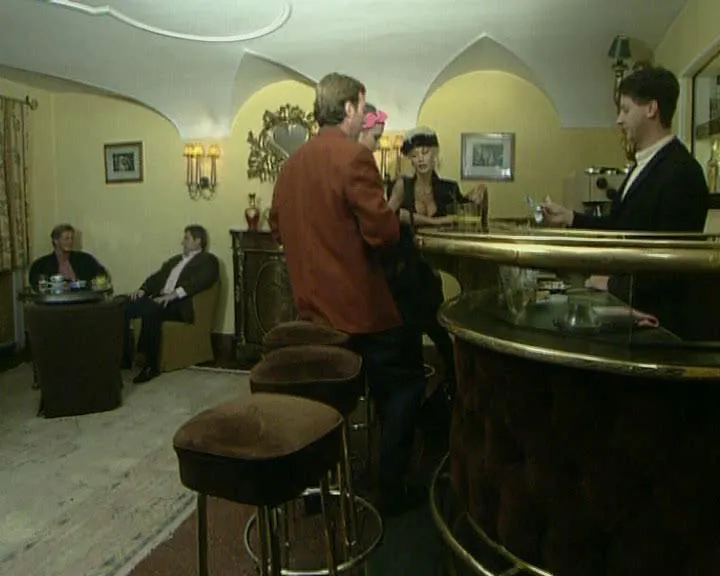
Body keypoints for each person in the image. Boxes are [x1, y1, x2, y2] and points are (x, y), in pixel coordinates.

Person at [269, 73, 426, 515]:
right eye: (363, 107)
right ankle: (391, 488)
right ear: (351, 108)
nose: (365, 117)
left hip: (311, 317)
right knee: (407, 385)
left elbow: (278, 229)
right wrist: (393, 204)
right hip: (359, 316)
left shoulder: (291, 165)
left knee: (327, 400)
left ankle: (317, 489)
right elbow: (383, 235)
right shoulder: (354, 156)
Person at [540, 65, 709, 336]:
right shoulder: (643, 164)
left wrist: (611, 284)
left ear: (651, 109)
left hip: (658, 325)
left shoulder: (682, 172)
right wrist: (569, 217)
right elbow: (619, 226)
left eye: (626, 110)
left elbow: (671, 265)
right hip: (632, 311)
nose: (619, 120)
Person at [386, 126, 488, 388]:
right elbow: (394, 215)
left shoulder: (448, 188)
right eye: (414, 155)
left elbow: (467, 216)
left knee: (438, 329)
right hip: (403, 269)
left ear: (435, 154)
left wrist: (482, 192)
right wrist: (439, 221)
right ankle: (416, 384)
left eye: (425, 152)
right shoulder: (402, 185)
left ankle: (454, 383)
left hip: (430, 271)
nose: (420, 159)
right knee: (411, 333)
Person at [124, 225, 219, 384]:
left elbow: (200, 281)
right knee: (121, 304)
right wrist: (142, 290)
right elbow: (156, 278)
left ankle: (150, 366)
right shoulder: (175, 260)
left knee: (151, 309)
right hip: (159, 299)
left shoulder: (208, 260)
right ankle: (123, 357)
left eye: (186, 238)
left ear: (198, 241)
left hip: (178, 304)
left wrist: (173, 295)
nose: (182, 242)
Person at [28, 223, 109, 287]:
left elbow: (101, 274)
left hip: (82, 299)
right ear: (56, 240)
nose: (70, 242)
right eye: (66, 238)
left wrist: (95, 283)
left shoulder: (85, 259)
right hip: (55, 301)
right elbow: (36, 284)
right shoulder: (41, 264)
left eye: (72, 238)